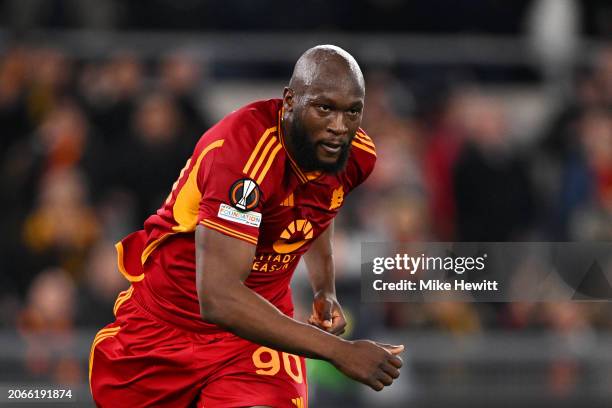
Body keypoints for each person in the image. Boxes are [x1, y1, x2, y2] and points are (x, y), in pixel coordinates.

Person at [89, 44, 404, 408]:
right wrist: (338, 351)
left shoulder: (353, 155)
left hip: (259, 334)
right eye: (324, 108)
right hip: (166, 332)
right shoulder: (242, 156)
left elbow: (317, 208)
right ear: (289, 101)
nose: (339, 126)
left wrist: (324, 288)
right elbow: (219, 298)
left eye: (353, 112)